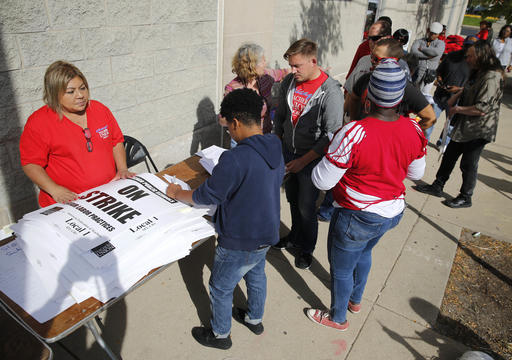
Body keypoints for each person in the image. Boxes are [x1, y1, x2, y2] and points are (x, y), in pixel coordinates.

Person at [307, 59, 426, 331]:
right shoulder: (414, 129)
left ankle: (337, 317)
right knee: (365, 252)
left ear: (368, 98)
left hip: (356, 216)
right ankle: (356, 300)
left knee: (341, 269)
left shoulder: (354, 132)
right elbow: (416, 173)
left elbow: (321, 180)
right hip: (392, 212)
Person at [166, 88, 285, 350]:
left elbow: (206, 196)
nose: (229, 134)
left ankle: (220, 335)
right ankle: (255, 318)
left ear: (236, 123)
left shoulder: (234, 158)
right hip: (266, 232)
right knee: (256, 276)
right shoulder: (275, 144)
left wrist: (177, 192)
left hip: (238, 240)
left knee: (220, 288)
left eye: (229, 129)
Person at [19, 60, 133, 207]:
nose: (80, 95)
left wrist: (122, 169)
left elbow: (116, 141)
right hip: (69, 203)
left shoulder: (99, 110)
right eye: (71, 92)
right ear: (55, 93)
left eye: (83, 88)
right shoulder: (39, 122)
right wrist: (55, 190)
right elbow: (31, 164)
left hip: (107, 194)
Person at [273, 38, 344, 269]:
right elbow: (281, 117)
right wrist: (277, 143)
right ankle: (294, 236)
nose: (292, 71)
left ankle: (307, 248)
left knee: (307, 206)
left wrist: (303, 161)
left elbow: (331, 135)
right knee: (293, 199)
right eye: (291, 66)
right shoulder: (289, 83)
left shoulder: (330, 92)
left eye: (297, 66)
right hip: (288, 154)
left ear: (313, 61)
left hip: (311, 160)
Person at [413, 40, 503, 208]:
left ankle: (465, 196)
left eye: (470, 56)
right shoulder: (477, 72)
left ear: (480, 56)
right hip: (465, 126)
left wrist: (457, 109)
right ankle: (437, 186)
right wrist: (457, 96)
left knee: (468, 163)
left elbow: (482, 108)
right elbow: (468, 88)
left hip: (478, 129)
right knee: (449, 156)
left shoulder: (492, 76)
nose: (466, 59)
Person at [346, 38, 436, 133]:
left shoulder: (404, 87)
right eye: (371, 56)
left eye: (376, 59)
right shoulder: (365, 78)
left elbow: (430, 117)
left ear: (393, 61)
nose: (371, 60)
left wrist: (407, 134)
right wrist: (355, 121)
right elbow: (354, 98)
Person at [222, 43, 289, 136]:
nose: (266, 63)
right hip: (243, 140)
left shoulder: (266, 76)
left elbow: (285, 72)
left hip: (265, 134)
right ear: (252, 65)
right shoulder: (233, 88)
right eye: (263, 60)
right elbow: (223, 119)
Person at [425, 37, 473, 142]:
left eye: (471, 46)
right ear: (463, 45)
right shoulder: (452, 56)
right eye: (467, 45)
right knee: (430, 118)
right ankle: (424, 141)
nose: (467, 48)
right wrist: (439, 79)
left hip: (457, 100)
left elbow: (474, 86)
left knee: (450, 125)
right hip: (440, 96)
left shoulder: (475, 64)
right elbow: (439, 71)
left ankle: (442, 143)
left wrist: (459, 89)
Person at [411, 22, 446, 103]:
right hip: (417, 70)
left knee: (424, 94)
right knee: (413, 90)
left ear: (438, 34)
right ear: (428, 30)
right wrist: (428, 56)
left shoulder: (440, 43)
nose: (432, 35)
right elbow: (414, 52)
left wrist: (422, 49)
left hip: (430, 73)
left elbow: (436, 52)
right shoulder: (419, 41)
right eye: (431, 33)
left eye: (435, 34)